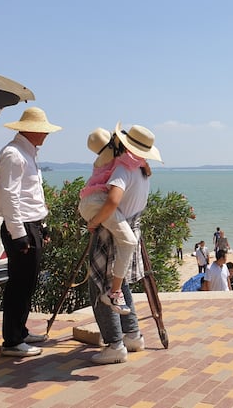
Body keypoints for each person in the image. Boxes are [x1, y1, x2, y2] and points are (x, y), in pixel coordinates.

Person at [87, 122, 162, 364]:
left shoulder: (121, 171)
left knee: (101, 290)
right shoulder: (143, 170)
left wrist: (94, 221)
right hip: (130, 232)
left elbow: (111, 202)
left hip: (111, 237)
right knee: (120, 287)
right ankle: (133, 335)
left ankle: (114, 346)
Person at [0, 107, 62, 357]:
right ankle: (12, 341)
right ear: (31, 130)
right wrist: (19, 234)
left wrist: (41, 226)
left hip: (30, 225)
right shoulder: (14, 154)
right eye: (43, 130)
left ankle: (19, 332)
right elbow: (11, 196)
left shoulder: (27, 152)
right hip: (21, 227)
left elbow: (30, 196)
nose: (46, 135)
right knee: (20, 284)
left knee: (27, 283)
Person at [78, 126, 151, 314]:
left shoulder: (122, 162)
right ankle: (114, 292)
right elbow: (112, 200)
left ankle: (115, 293)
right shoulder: (122, 165)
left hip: (93, 202)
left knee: (126, 244)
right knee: (129, 241)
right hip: (95, 203)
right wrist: (94, 223)